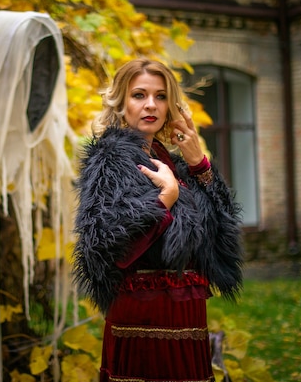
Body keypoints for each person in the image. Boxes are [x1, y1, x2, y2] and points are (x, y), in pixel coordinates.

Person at [72, 58, 244, 382]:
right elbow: (107, 251)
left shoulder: (172, 163)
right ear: (121, 103)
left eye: (161, 96)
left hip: (186, 313)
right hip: (144, 318)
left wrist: (198, 164)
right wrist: (166, 197)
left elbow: (221, 241)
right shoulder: (109, 160)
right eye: (139, 95)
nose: (151, 104)